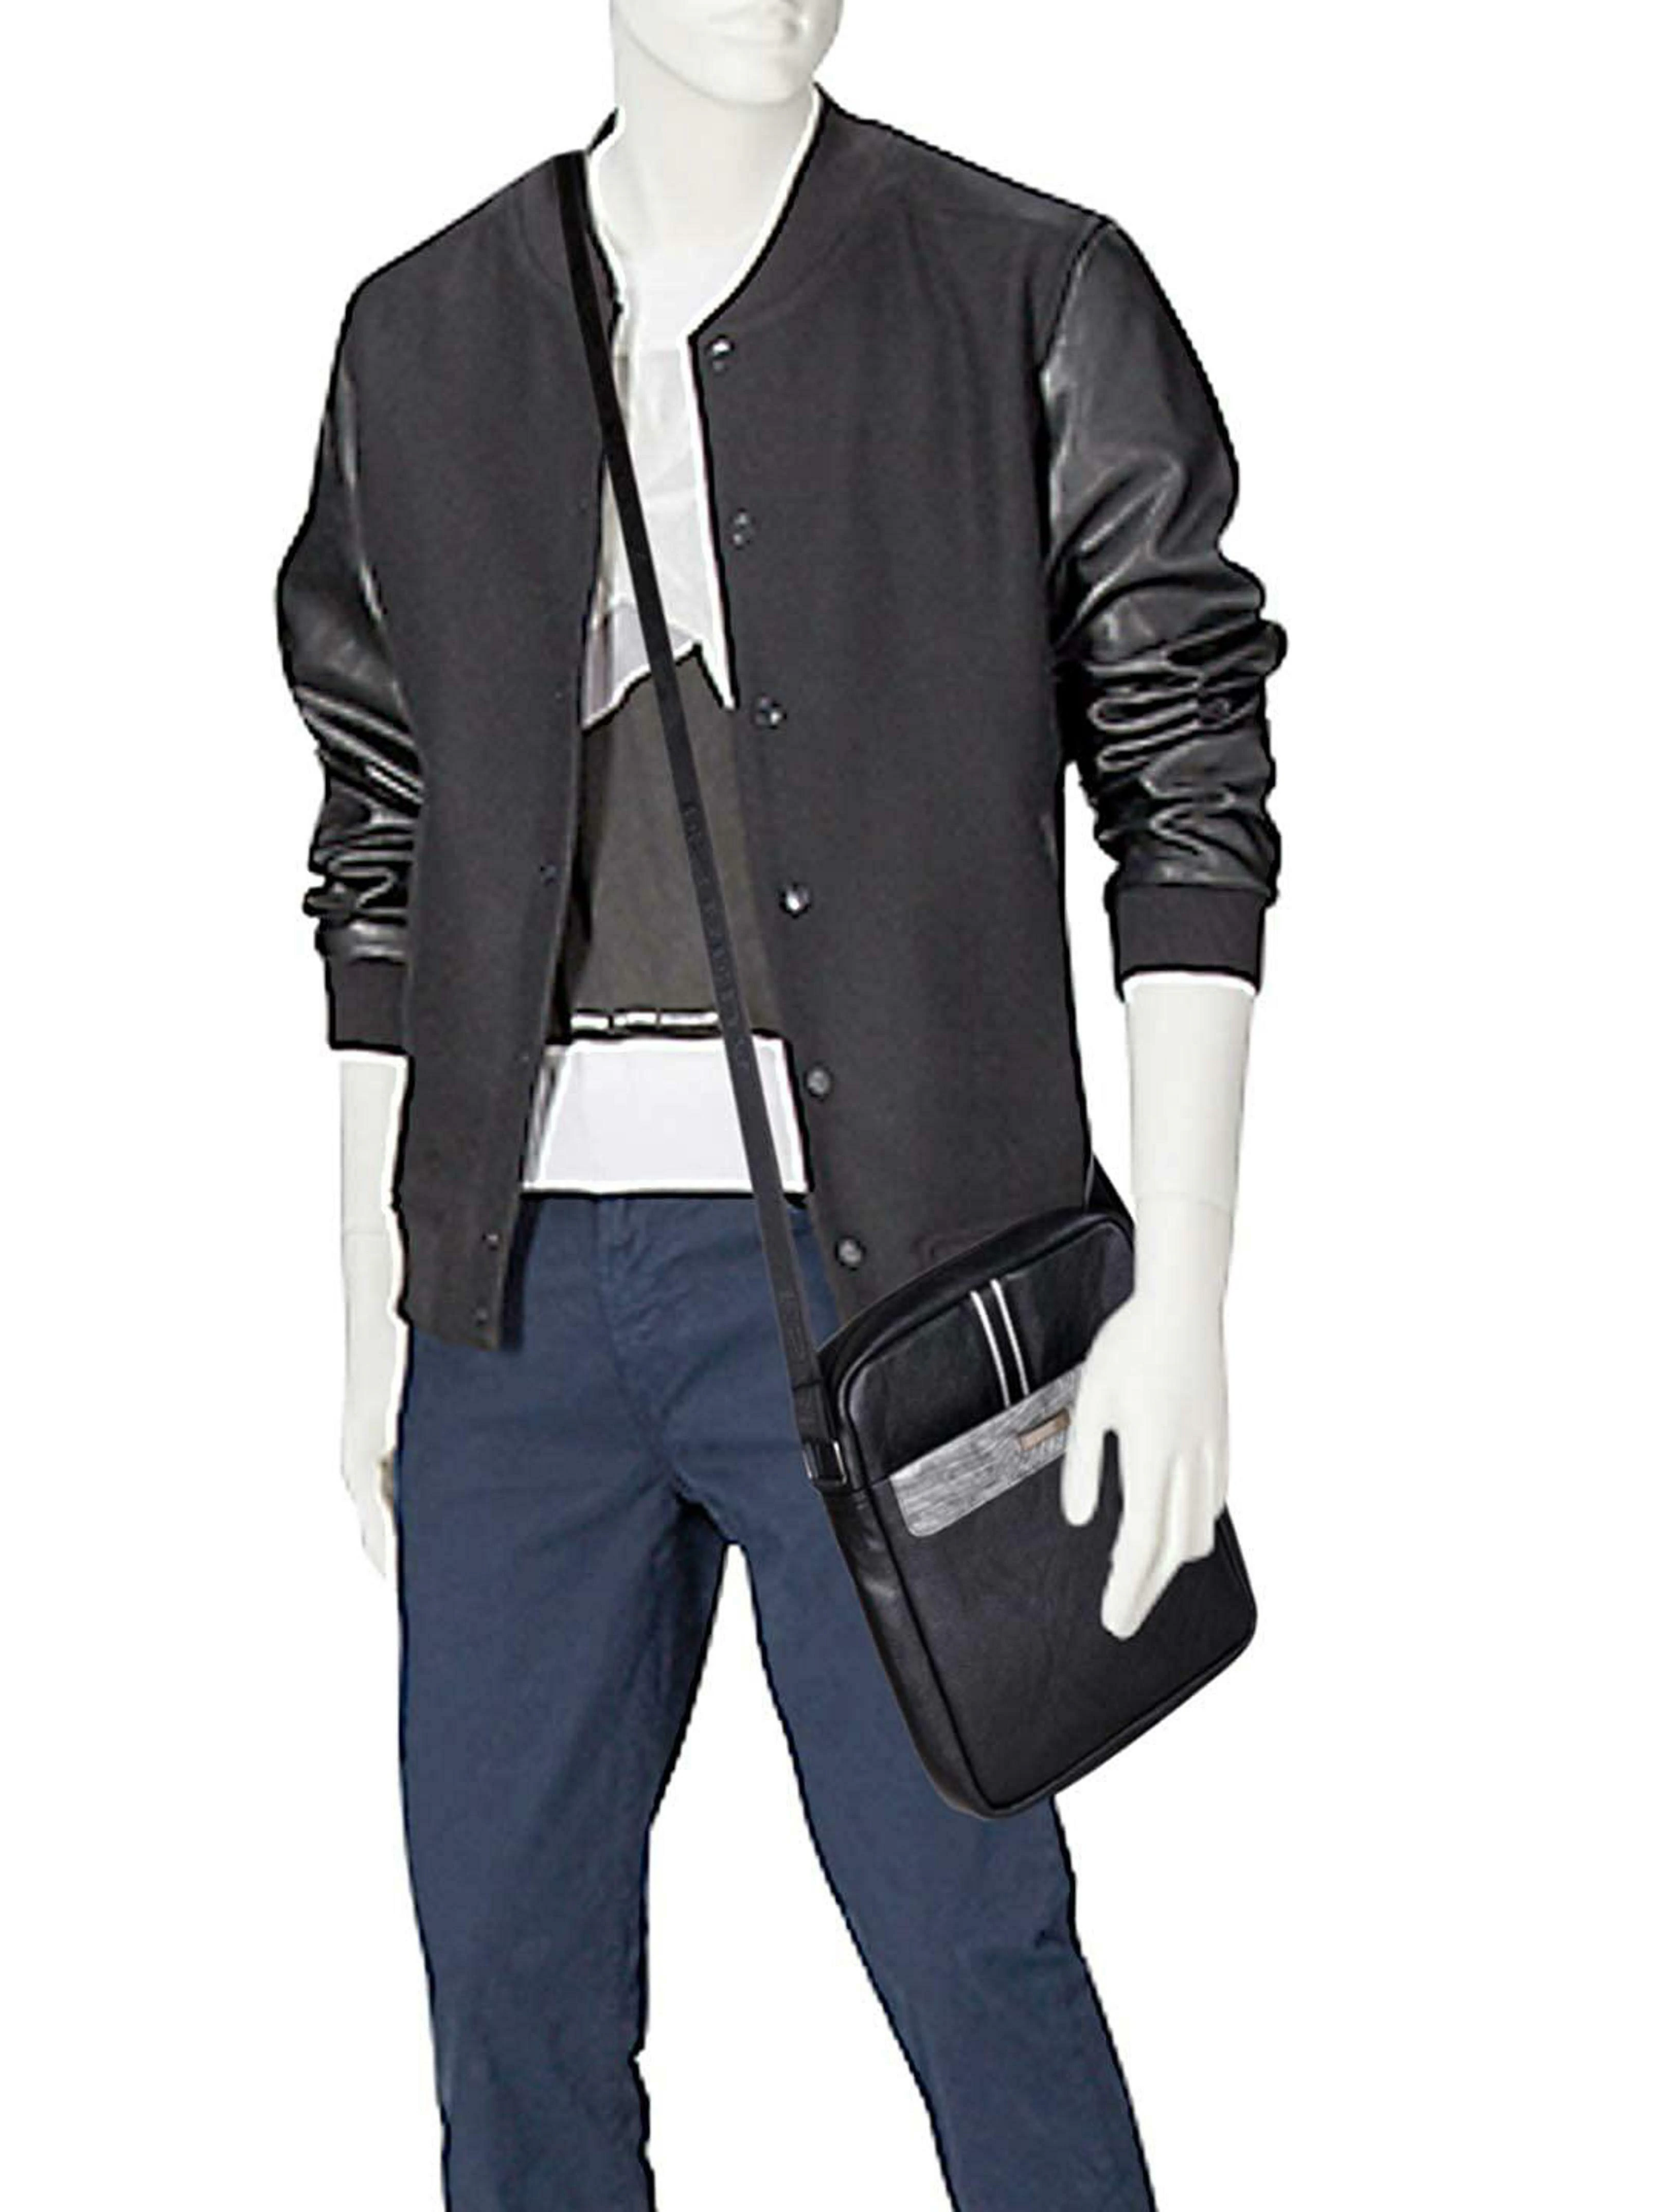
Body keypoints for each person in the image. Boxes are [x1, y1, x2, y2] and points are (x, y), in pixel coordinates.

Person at [275, 11, 1286, 2207]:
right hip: (510, 1303)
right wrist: (376, 1291)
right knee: (505, 1986)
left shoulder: (1026, 286)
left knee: (971, 1945)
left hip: (889, 1282)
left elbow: (1186, 776)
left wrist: (1183, 1284)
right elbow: (382, 825)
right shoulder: (420, 331)